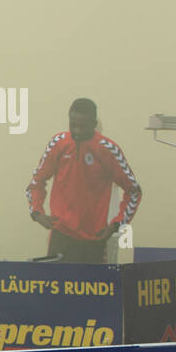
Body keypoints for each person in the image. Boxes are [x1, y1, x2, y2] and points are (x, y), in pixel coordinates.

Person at [26, 98, 142, 264]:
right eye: (73, 125)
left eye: (82, 126)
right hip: (61, 236)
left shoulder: (108, 149)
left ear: (94, 124)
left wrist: (116, 224)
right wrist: (37, 213)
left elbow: (134, 191)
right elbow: (35, 184)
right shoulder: (58, 143)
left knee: (91, 289)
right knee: (57, 288)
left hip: (94, 239)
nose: (77, 130)